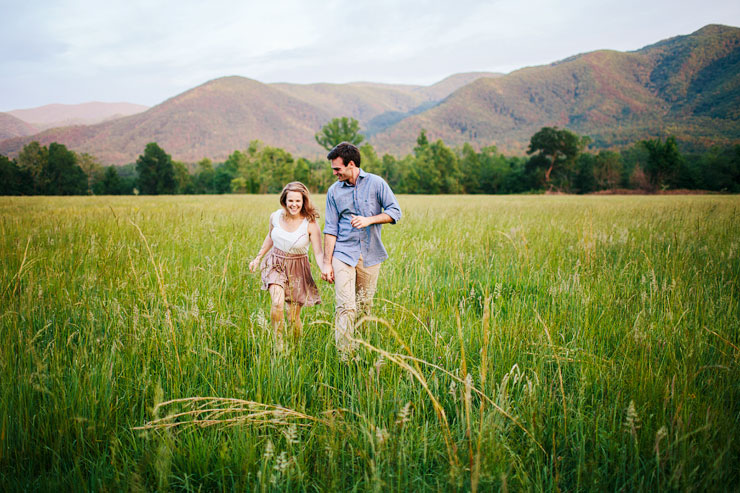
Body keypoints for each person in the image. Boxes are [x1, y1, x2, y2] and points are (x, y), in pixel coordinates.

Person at [321, 142, 401, 358]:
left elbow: (395, 212)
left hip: (370, 254)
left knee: (364, 306)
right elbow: (330, 228)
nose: (334, 173)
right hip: (343, 254)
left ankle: (362, 351)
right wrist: (327, 263)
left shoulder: (376, 183)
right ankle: (345, 357)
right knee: (345, 307)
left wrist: (369, 220)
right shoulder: (333, 191)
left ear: (351, 164)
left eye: (337, 169)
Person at [249, 182, 323, 348]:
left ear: (304, 201)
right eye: (290, 200)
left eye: (298, 201)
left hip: (298, 268)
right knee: (277, 303)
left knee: (292, 316)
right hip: (275, 263)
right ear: (284, 200)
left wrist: (325, 269)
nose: (294, 204)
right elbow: (270, 237)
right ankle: (278, 343)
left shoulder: (310, 223)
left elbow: (318, 252)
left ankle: (296, 347)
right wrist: (258, 258)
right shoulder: (275, 216)